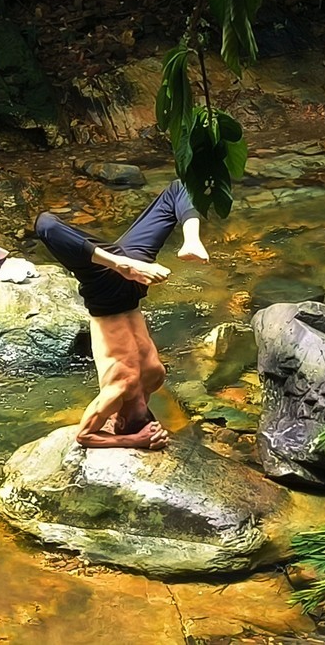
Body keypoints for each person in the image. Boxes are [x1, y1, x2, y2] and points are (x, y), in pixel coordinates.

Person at [35, 180, 208, 449]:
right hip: (109, 283)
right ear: (123, 422)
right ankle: (121, 263)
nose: (111, 419)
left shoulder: (156, 376)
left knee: (179, 187)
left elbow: (91, 433)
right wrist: (134, 441)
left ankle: (192, 240)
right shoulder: (116, 392)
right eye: (115, 421)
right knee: (45, 225)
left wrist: (148, 432)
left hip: (136, 284)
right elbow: (85, 436)